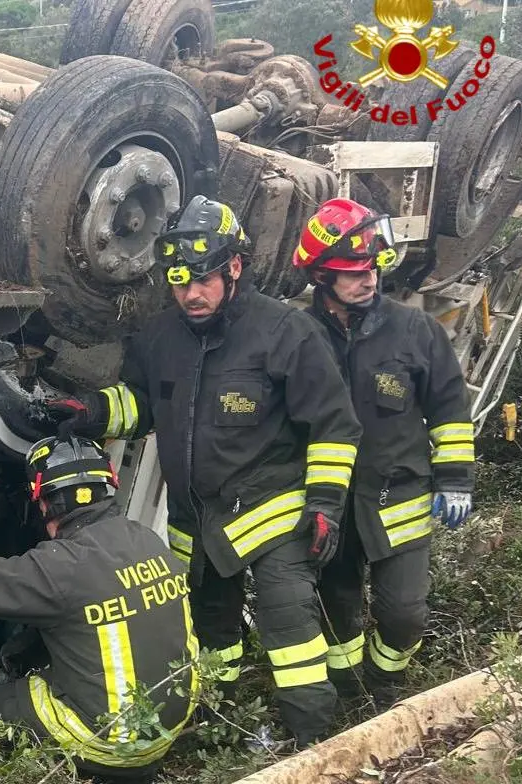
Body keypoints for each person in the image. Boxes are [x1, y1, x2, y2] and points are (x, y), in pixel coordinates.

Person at [38, 195, 362, 746]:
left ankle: (314, 744)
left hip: (274, 515)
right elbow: (142, 403)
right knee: (212, 631)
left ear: (234, 266)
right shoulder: (161, 337)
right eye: (179, 280)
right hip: (198, 526)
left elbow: (334, 426)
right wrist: (92, 410)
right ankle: (220, 720)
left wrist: (326, 505)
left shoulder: (285, 332)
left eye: (203, 279)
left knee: (291, 631)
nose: (190, 294)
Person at [0, 435, 199, 780]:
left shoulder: (61, 567)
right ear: (107, 485)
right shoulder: (146, 538)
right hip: (166, 722)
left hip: (108, 742)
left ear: (45, 503)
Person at [293, 197, 474, 706]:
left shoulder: (415, 330)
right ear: (321, 277)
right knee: (338, 611)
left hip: (400, 497)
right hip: (331, 507)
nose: (367, 279)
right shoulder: (298, 336)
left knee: (404, 613)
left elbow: (448, 409)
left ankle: (386, 677)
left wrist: (456, 478)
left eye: (371, 266)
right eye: (352, 272)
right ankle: (351, 692)